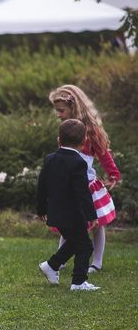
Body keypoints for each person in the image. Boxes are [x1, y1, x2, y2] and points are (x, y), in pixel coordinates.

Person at [49, 84, 121, 274]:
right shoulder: (65, 129)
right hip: (70, 185)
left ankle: (96, 262)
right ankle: (60, 259)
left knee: (98, 224)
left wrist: (113, 174)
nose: (58, 114)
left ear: (74, 107)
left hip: (87, 185)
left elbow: (104, 153)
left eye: (61, 110)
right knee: (68, 222)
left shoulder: (91, 131)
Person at [37, 119, 100, 291]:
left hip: (56, 213)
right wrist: (92, 215)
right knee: (85, 246)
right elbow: (82, 193)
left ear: (59, 140)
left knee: (74, 241)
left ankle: (51, 266)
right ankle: (78, 283)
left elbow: (41, 185)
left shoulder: (50, 159)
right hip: (73, 214)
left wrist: (41, 209)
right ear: (83, 142)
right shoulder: (78, 163)